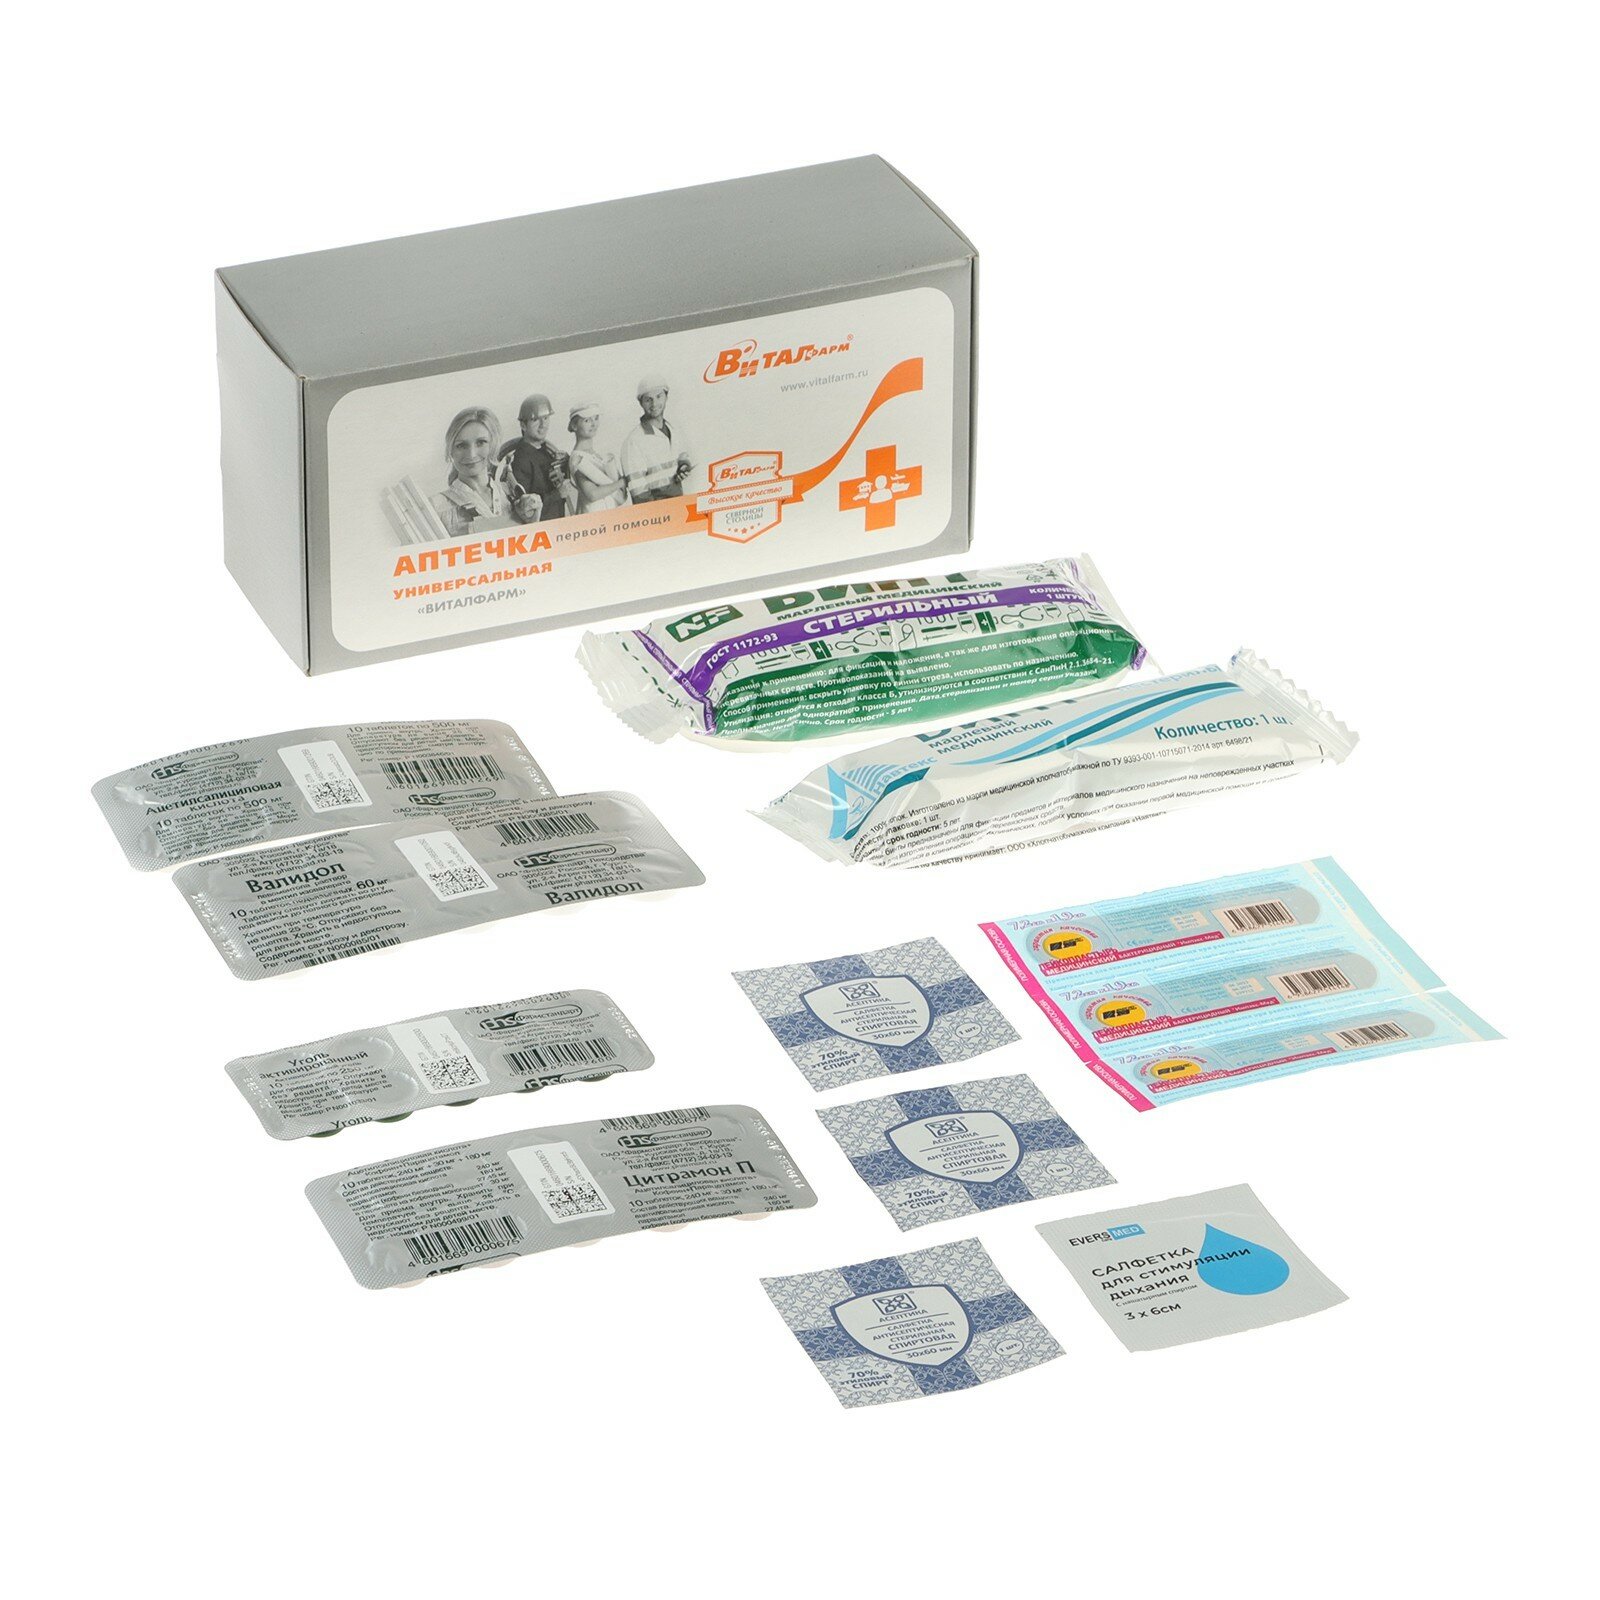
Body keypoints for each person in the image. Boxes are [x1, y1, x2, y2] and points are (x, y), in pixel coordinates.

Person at [429, 406, 527, 538]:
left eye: (481, 443)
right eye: (461, 445)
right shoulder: (435, 508)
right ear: (451, 450)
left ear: (493, 445)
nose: (471, 454)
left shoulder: (514, 495)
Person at [498, 392, 577, 522]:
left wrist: (565, 462)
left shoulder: (544, 450)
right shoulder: (521, 459)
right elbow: (525, 509)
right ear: (523, 425)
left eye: (545, 418)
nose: (543, 425)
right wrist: (558, 494)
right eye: (535, 420)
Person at [620, 374, 693, 500]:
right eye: (648, 400)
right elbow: (639, 493)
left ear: (666, 397)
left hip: (679, 500)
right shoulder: (634, 441)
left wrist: (683, 466)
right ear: (641, 403)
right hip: (658, 508)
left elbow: (682, 455)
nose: (654, 404)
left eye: (659, 396)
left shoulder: (672, 429)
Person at [567, 402, 629, 512]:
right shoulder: (577, 459)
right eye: (587, 420)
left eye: (595, 418)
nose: (594, 424)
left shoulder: (596, 455)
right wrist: (621, 482)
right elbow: (592, 494)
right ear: (574, 426)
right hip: (593, 516)